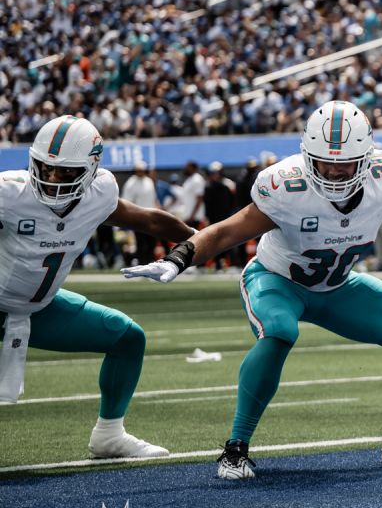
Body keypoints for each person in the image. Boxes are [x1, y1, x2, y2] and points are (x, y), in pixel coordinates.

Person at [122, 102, 382, 479]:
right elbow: (226, 231)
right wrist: (176, 259)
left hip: (337, 286)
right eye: (325, 162)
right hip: (277, 281)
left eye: (346, 163)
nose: (336, 171)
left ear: (367, 157)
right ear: (308, 157)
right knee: (280, 332)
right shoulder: (284, 186)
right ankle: (235, 448)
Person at [1, 116, 196, 457]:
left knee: (127, 337)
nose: (50, 179)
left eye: (64, 172)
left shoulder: (100, 193)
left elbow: (147, 219)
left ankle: (109, 436)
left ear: (90, 169)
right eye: (44, 168)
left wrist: (204, 241)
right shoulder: (9, 194)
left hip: (39, 308)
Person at [121, 160, 158, 265]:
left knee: (151, 242)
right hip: (139, 217)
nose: (140, 172)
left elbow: (153, 198)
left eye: (142, 170)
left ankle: (150, 261)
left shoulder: (149, 181)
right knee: (141, 242)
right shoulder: (131, 183)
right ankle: (142, 263)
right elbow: (126, 201)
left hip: (151, 216)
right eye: (138, 170)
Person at [203, 161, 236, 270]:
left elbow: (232, 203)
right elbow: (207, 205)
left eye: (217, 173)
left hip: (226, 217)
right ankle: (217, 264)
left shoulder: (228, 185)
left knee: (229, 240)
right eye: (213, 173)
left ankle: (232, 264)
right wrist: (207, 218)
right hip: (214, 218)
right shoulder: (208, 187)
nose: (215, 176)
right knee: (215, 241)